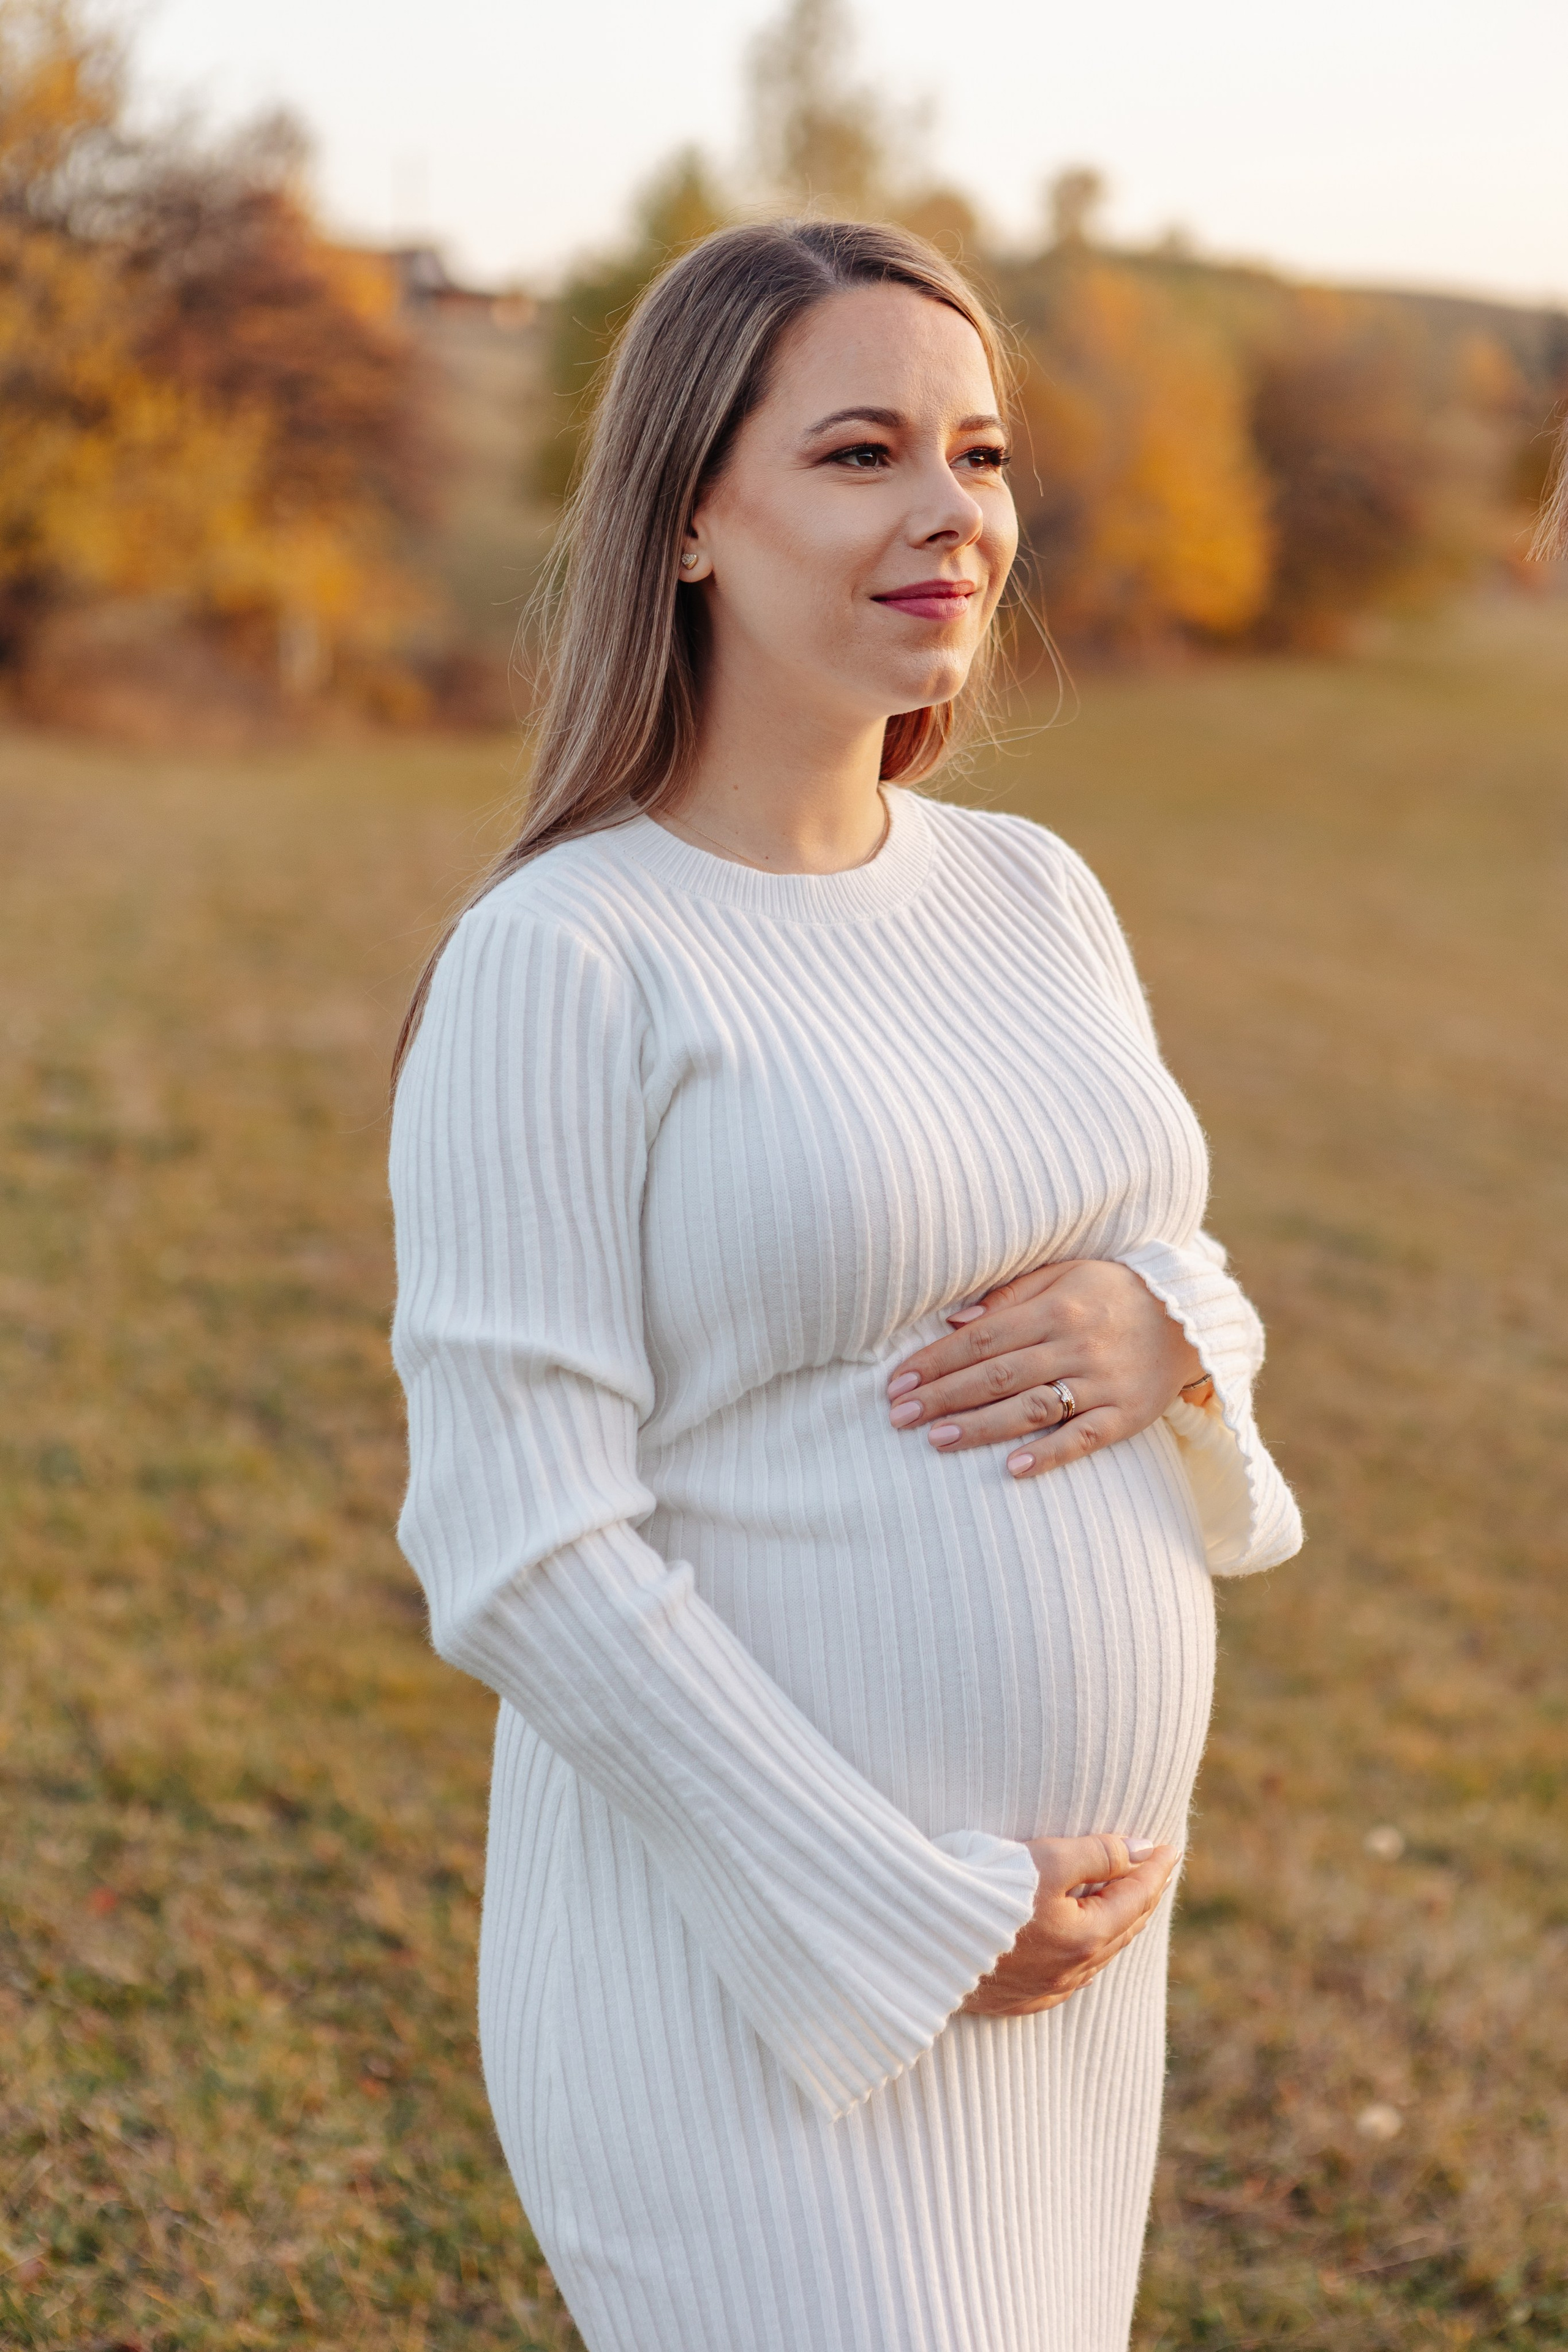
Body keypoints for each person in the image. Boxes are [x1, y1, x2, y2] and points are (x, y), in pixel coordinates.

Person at [388, 218, 1303, 2352]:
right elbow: (517, 1543)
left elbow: (1164, 1253)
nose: (949, 512)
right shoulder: (568, 955)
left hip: (1061, 1981)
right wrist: (906, 1912)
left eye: (980, 456)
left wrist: (1173, 1325)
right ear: (689, 519)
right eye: (862, 451)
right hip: (764, 1974)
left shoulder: (1034, 891)